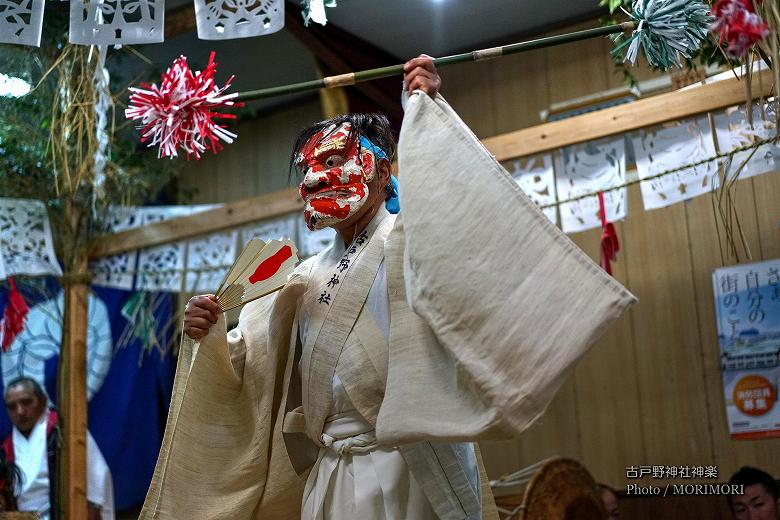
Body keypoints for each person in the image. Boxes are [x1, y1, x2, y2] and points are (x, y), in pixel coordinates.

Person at [141, 55, 633, 520]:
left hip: (412, 464)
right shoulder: (296, 279)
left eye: (336, 160)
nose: (317, 177)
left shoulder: (415, 239)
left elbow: (459, 206)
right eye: (309, 168)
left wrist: (425, 112)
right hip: (331, 469)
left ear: (381, 171)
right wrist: (207, 332)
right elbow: (249, 367)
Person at [2, 377, 115, 520]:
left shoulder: (66, 431)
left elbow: (95, 483)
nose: (20, 411)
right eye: (12, 406)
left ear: (42, 401)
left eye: (26, 402)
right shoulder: (6, 449)